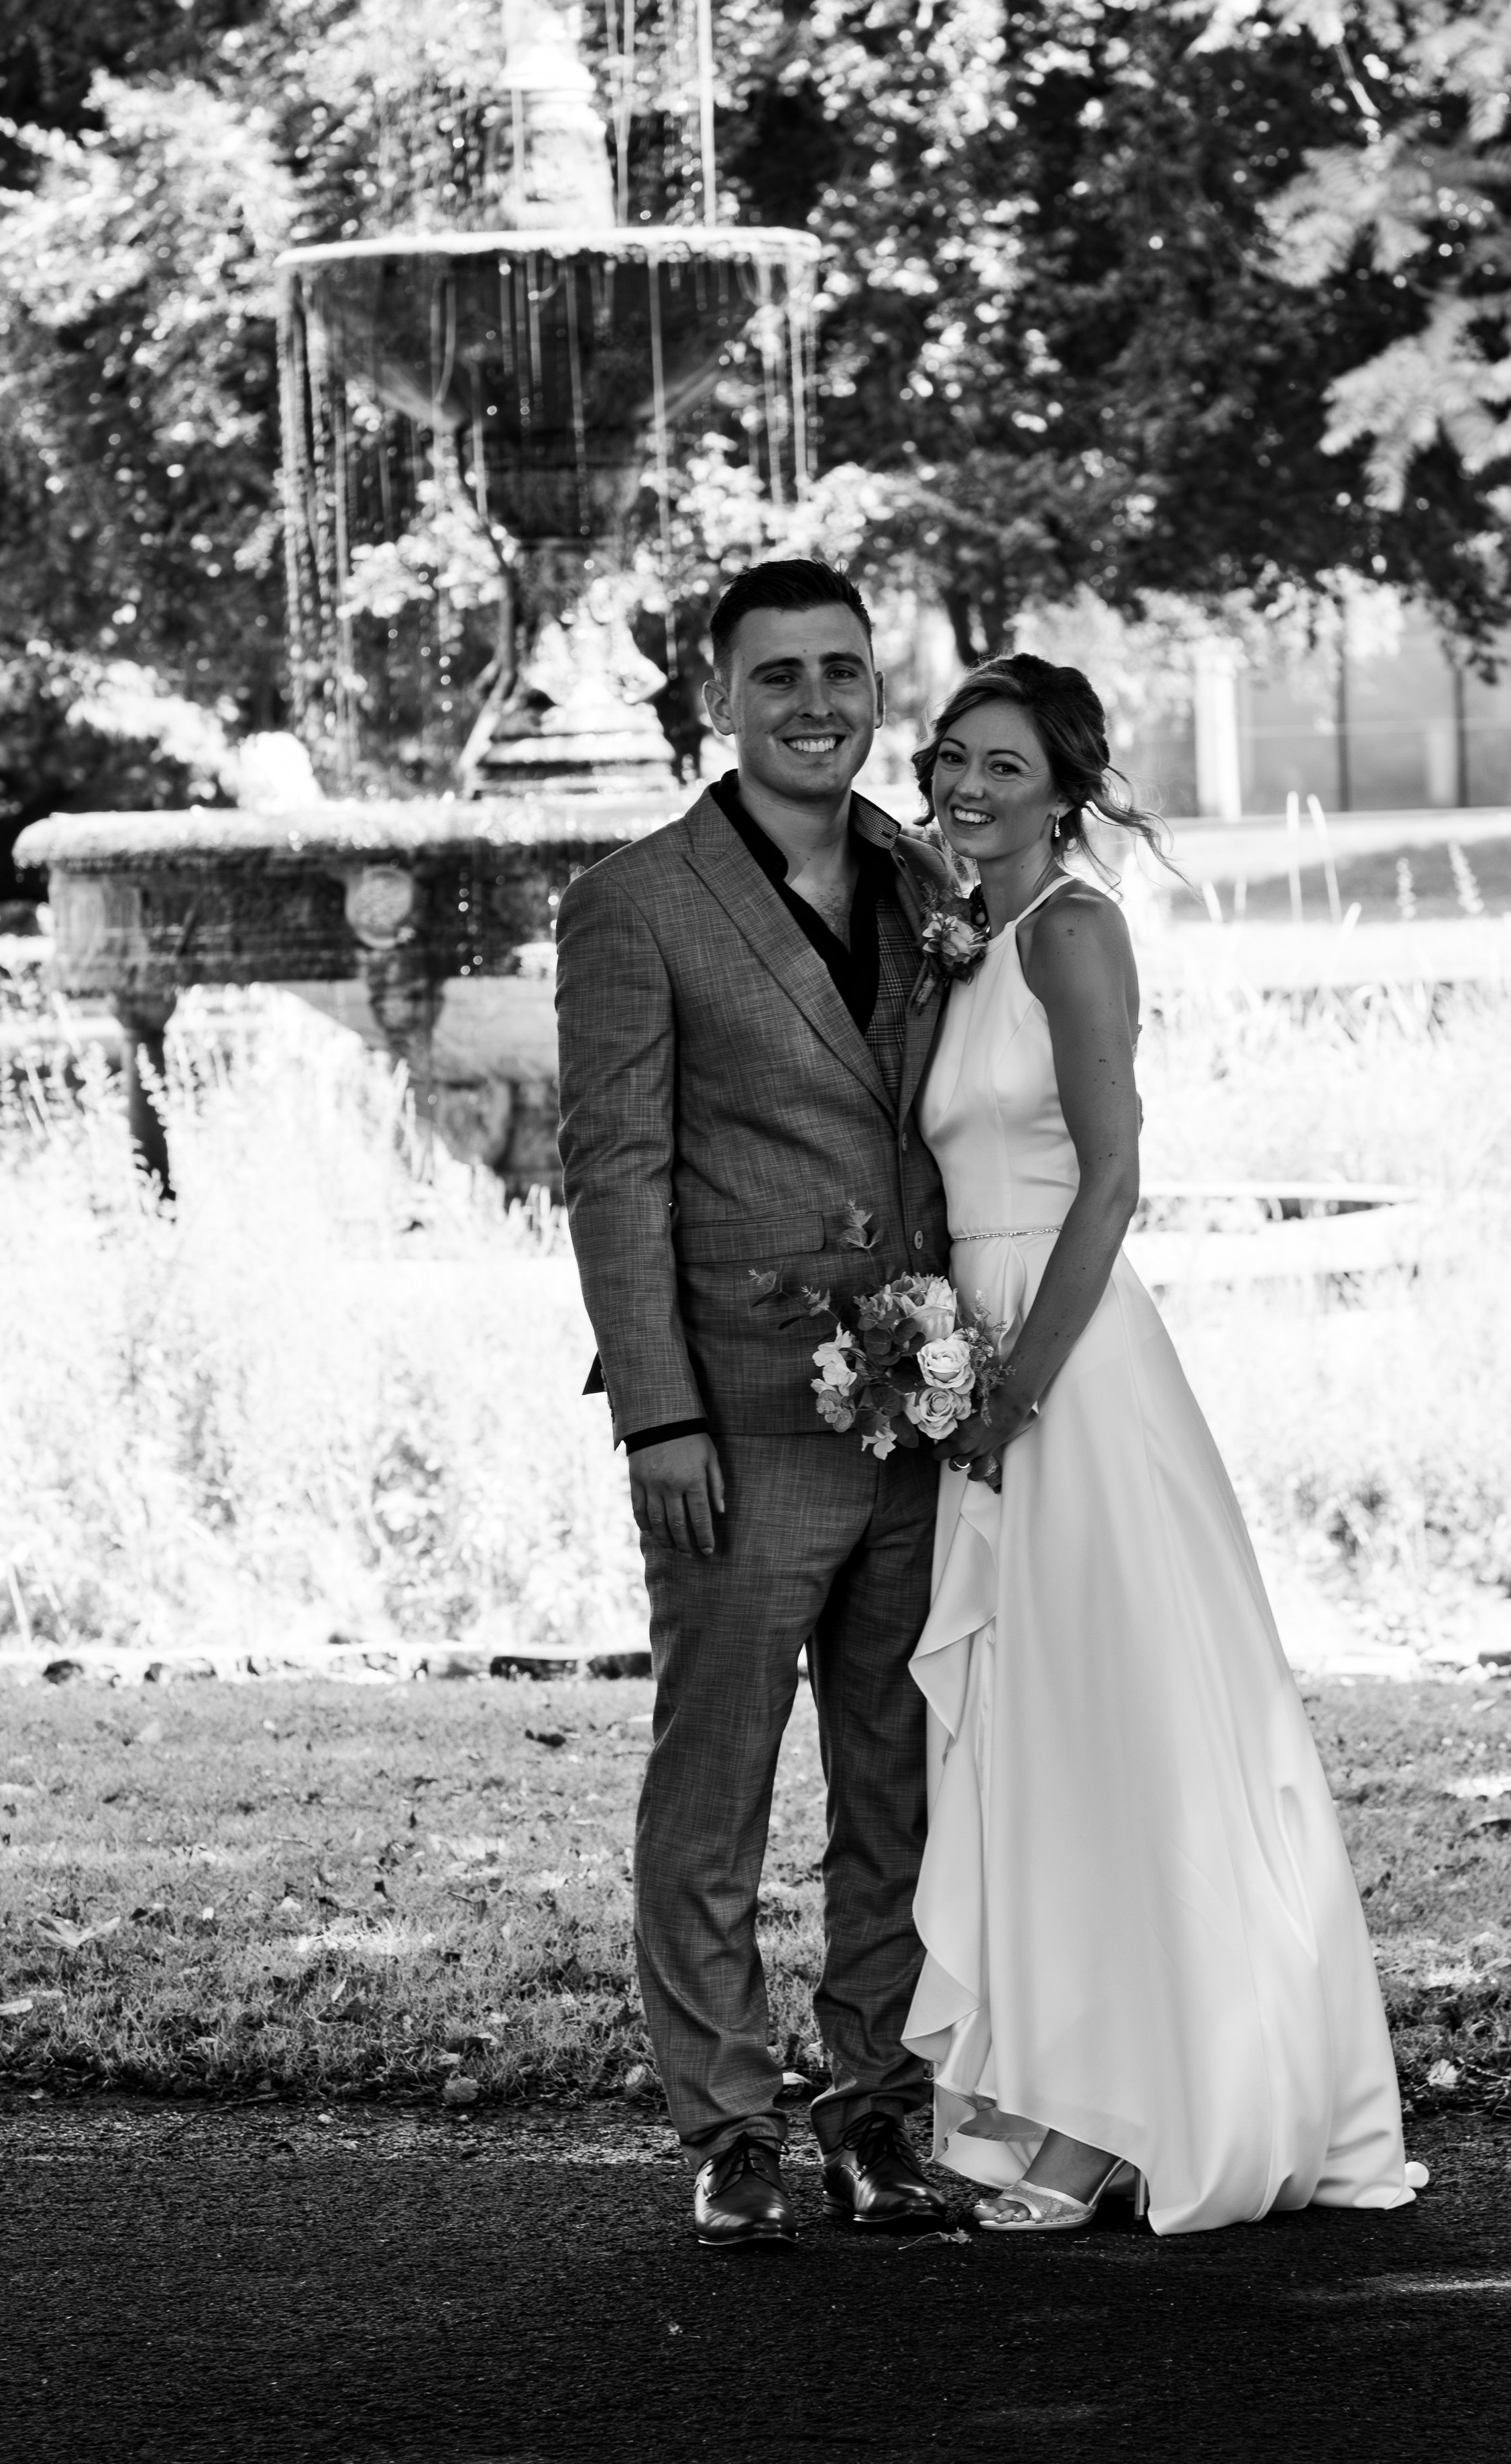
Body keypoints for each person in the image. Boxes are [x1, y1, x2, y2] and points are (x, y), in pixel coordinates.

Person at [901, 654, 1427, 2235]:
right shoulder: (956, 937)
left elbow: (1112, 1180)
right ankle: (1055, 2079)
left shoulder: (1071, 930)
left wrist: (1013, 1393)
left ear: (1062, 787)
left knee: (1112, 1723)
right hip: (974, 1352)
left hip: (1070, 1368)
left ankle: (1107, 2115)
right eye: (950, 759)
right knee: (1029, 1734)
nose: (968, 786)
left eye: (1002, 765)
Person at [555, 559, 956, 2247]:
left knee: (903, 1792)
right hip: (729, 1428)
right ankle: (726, 2127)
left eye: (843, 673)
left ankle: (877, 2116)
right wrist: (656, 1415)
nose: (816, 703)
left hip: (924, 1418)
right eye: (777, 674)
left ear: (878, 690)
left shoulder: (928, 879)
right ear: (712, 697)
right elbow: (612, 1168)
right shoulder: (634, 901)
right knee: (711, 1790)